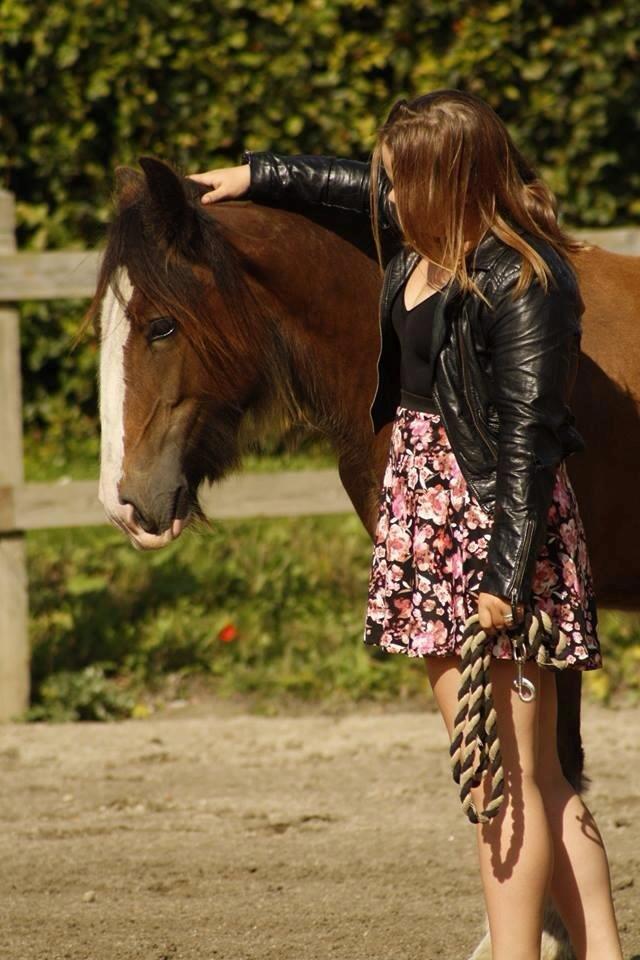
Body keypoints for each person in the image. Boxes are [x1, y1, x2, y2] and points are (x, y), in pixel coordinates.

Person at [188, 90, 624, 960]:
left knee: (501, 782)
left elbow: (532, 439)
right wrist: (258, 174)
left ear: (447, 178)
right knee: (528, 774)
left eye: (400, 170)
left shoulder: (523, 280)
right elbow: (346, 188)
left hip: (492, 525)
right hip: (432, 515)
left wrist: (504, 579)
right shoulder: (430, 239)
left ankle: (513, 954)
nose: (383, 185)